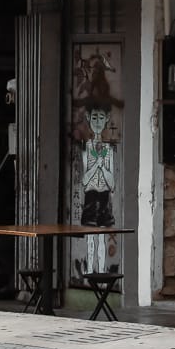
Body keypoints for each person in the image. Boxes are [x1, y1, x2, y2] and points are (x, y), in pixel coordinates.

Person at [80, 105, 114, 274]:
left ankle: (101, 272)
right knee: (90, 237)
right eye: (94, 118)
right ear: (88, 118)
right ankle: (89, 272)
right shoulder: (87, 147)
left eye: (101, 118)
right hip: (91, 195)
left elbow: (112, 183)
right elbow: (85, 181)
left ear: (107, 118)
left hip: (104, 196)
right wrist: (96, 167)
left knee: (102, 237)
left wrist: (104, 168)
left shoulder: (108, 148)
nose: (98, 122)